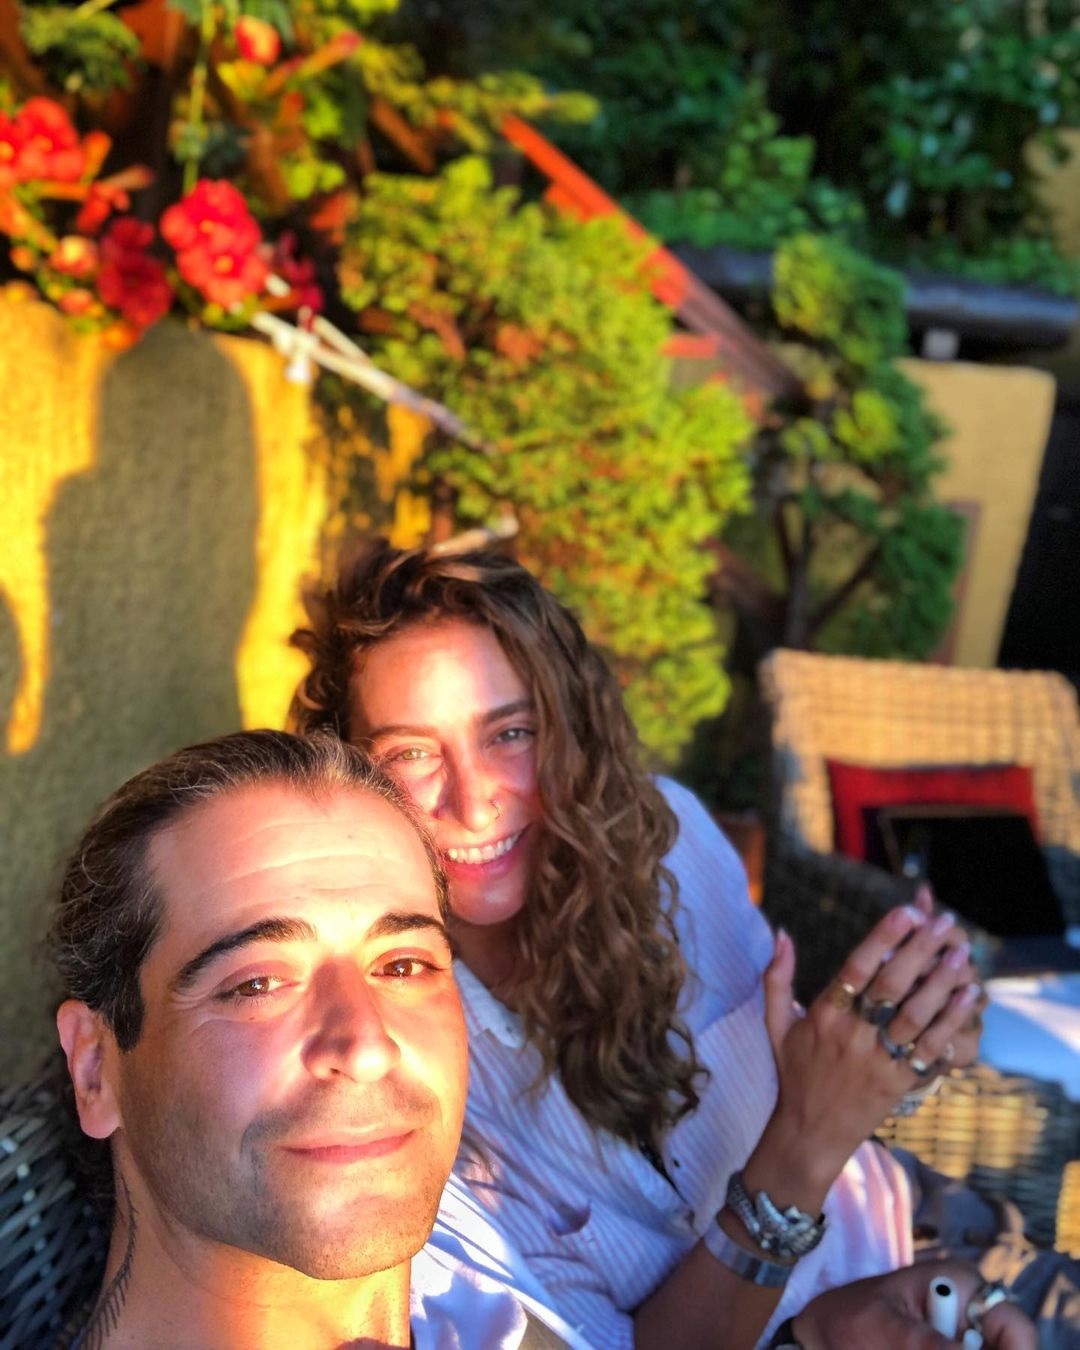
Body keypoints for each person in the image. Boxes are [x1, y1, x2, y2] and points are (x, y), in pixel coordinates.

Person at [288, 541, 1050, 1350]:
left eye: (512, 732)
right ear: (349, 772)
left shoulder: (670, 840)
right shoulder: (393, 1064)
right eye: (410, 752)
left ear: (571, 728)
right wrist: (806, 1145)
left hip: (936, 1247)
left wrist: (910, 1040)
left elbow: (817, 1077)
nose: (474, 804)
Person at [49, 729, 592, 1349]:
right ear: (95, 1067)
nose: (367, 1048)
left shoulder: (488, 1313)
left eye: (403, 965)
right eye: (256, 984)